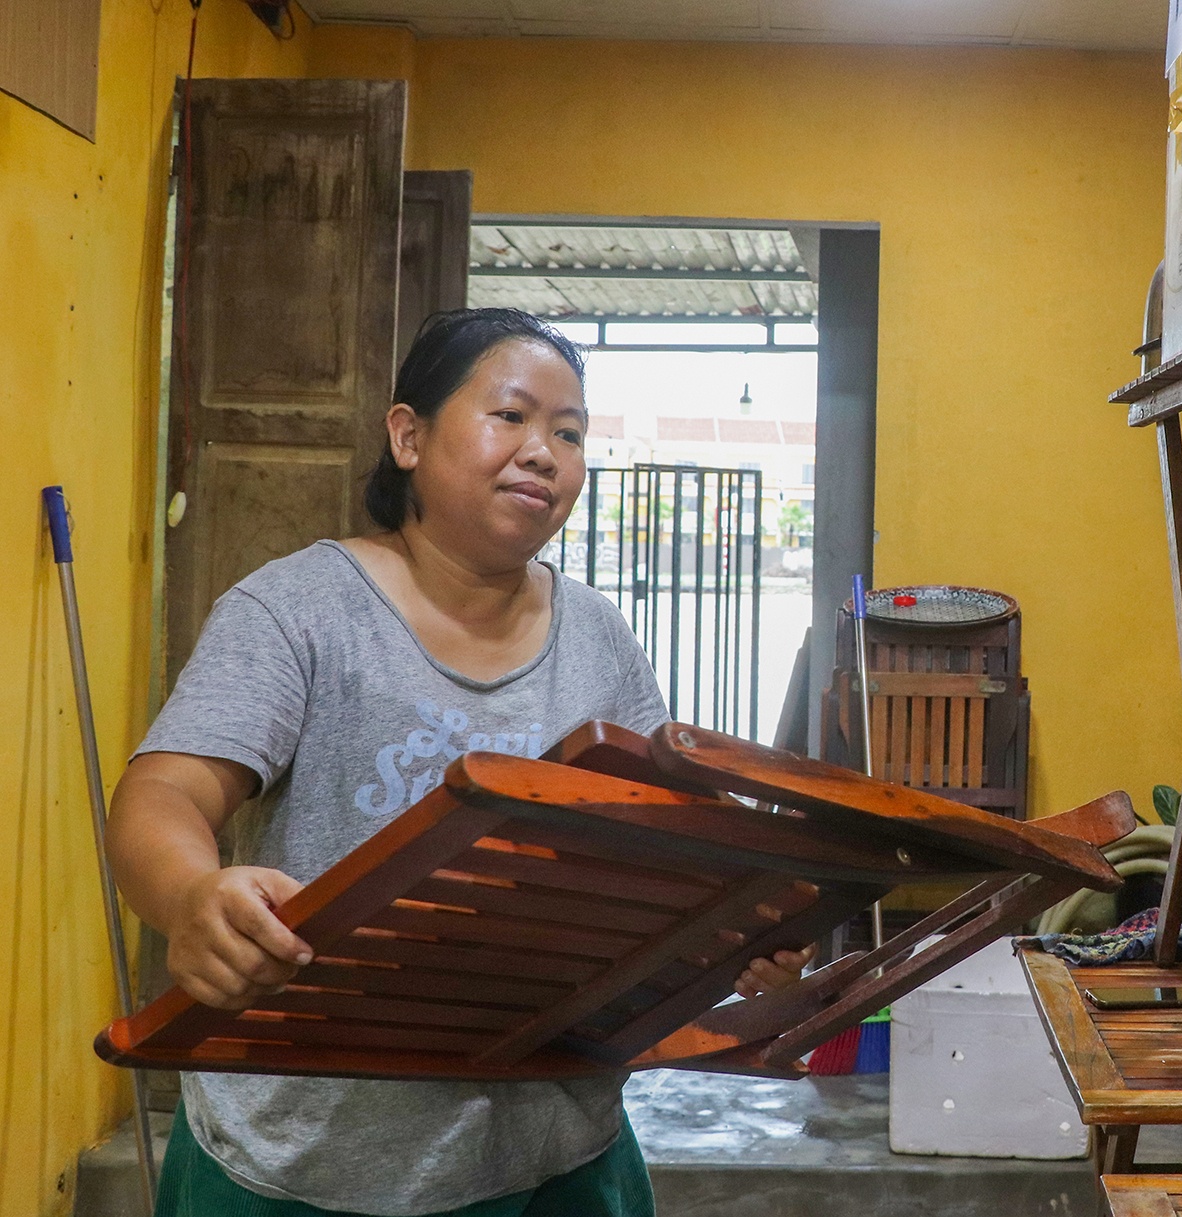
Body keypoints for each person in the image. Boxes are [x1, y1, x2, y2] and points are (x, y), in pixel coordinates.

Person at [108, 308, 812, 1216]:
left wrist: (736, 933)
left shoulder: (596, 633)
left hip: (556, 1149)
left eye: (569, 432)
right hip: (309, 1155)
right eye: (510, 416)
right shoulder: (302, 608)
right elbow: (162, 793)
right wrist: (190, 896)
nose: (544, 452)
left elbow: (669, 846)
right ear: (408, 435)